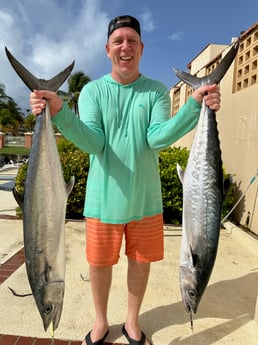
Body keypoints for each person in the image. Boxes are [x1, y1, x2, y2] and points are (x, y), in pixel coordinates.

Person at [30, 15, 221, 345]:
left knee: (140, 264)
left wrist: (194, 106)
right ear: (108, 49)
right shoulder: (92, 92)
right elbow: (94, 143)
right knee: (99, 266)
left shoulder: (156, 92)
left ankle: (132, 322)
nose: (125, 47)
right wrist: (59, 110)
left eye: (132, 41)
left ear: (142, 48)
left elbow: (157, 138)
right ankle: (101, 321)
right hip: (102, 202)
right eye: (118, 41)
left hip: (146, 200)